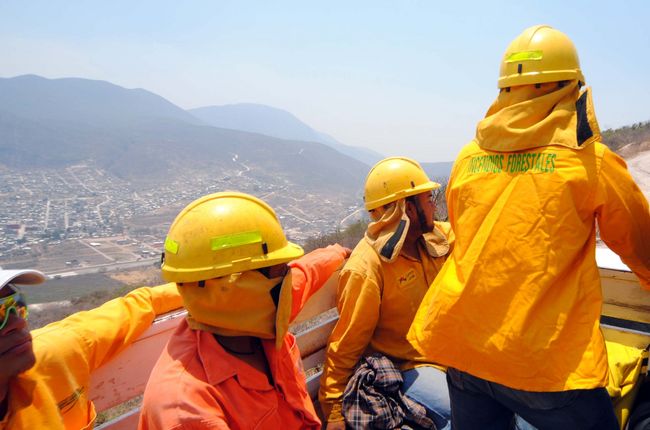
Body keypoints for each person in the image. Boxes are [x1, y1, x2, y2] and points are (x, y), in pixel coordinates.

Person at [408, 25, 650, 430]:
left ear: (504, 92)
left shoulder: (468, 157)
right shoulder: (590, 162)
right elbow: (641, 244)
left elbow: (468, 237)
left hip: (465, 348)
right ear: (571, 89)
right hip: (545, 363)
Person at [138, 191, 350, 430]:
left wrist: (337, 252)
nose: (288, 281)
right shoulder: (187, 409)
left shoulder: (255, 312)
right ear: (235, 289)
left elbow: (304, 273)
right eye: (281, 272)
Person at [319, 157, 454, 430]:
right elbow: (346, 345)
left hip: (448, 356)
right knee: (461, 412)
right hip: (407, 369)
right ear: (407, 209)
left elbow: (470, 230)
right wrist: (334, 412)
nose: (434, 205)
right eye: (428, 198)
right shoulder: (367, 267)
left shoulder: (429, 239)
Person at [0, 268, 183, 429]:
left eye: (16, 304)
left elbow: (138, 305)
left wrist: (196, 288)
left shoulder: (52, 358)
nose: (17, 322)